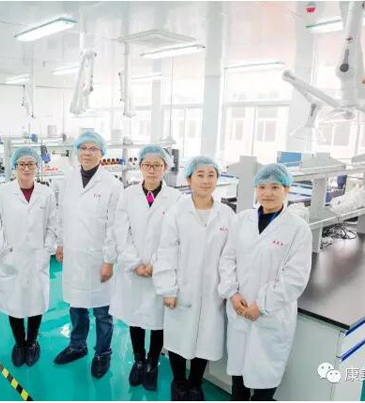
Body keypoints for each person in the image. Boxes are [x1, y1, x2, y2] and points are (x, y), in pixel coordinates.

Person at [218, 163, 312, 401]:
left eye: (275, 187)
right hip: (239, 307)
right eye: (262, 187)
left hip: (270, 314)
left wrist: (261, 305)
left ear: (286, 189)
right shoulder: (242, 220)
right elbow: (227, 259)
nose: (267, 193)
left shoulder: (298, 229)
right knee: (238, 373)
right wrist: (232, 293)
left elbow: (295, 278)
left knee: (265, 377)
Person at [155, 156, 235, 401]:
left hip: (212, 290)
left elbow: (231, 255)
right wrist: (168, 289)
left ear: (217, 180)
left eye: (211, 175)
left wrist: (228, 288)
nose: (206, 180)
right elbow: (166, 251)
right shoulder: (177, 212)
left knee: (206, 339)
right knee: (178, 338)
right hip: (182, 288)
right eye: (200, 175)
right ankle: (179, 382)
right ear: (189, 179)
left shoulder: (226, 214)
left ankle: (195, 383)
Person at [109, 145, 181, 390]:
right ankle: (138, 360)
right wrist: (135, 262)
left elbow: (175, 236)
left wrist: (156, 265)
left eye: (157, 165)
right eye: (147, 165)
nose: (152, 170)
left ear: (165, 167)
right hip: (134, 269)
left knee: (158, 320)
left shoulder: (176, 198)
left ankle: (152, 362)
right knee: (136, 317)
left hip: (161, 269)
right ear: (140, 166)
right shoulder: (128, 195)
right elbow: (121, 231)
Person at [53, 131, 123, 379]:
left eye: (93, 148)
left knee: (103, 312)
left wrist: (109, 261)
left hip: (98, 257)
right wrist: (60, 243)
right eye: (83, 148)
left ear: (102, 153)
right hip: (74, 255)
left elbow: (115, 227)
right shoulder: (68, 180)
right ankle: (77, 345)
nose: (87, 153)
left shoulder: (112, 185)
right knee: (77, 305)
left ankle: (103, 353)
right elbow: (62, 215)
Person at [0, 147, 57, 368]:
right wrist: (3, 250)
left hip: (37, 258)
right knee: (14, 302)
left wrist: (46, 250)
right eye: (21, 164)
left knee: (36, 301)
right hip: (11, 256)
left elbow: (53, 225)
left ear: (37, 167)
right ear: (14, 167)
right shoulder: (2, 192)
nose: (26, 168)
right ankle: (19, 344)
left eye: (31, 164)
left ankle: (32, 342)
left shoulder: (46, 193)